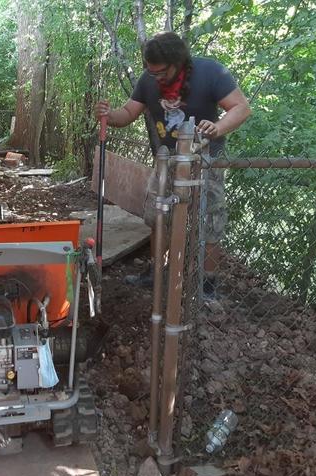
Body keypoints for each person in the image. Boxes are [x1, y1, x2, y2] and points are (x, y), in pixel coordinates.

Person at [95, 31, 251, 294]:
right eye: (151, 71)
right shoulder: (149, 80)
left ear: (179, 62)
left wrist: (217, 127)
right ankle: (157, 272)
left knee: (210, 221)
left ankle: (207, 283)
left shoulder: (210, 72)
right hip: (166, 161)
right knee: (157, 217)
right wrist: (109, 116)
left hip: (206, 161)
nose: (156, 77)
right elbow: (128, 113)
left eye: (161, 72)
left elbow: (241, 108)